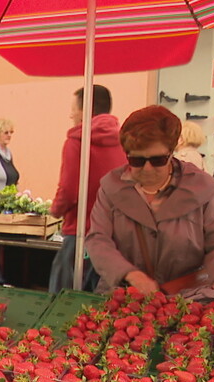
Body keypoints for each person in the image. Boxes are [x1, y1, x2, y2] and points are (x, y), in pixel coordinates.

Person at [86, 105, 214, 302]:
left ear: (171, 153)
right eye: (137, 160)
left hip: (189, 300)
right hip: (123, 297)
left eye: (158, 160)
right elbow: (98, 239)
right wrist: (129, 274)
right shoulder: (110, 187)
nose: (147, 168)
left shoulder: (203, 188)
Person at [48, 85, 127, 294]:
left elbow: (69, 190)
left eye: (74, 109)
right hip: (113, 233)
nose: (71, 115)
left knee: (62, 297)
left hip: (81, 231)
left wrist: (55, 210)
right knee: (98, 299)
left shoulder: (77, 141)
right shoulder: (123, 141)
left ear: (86, 111)